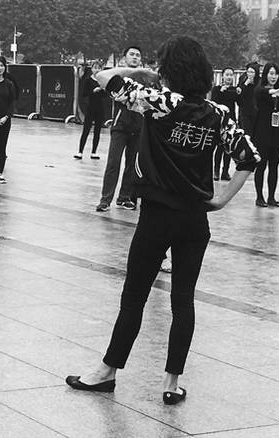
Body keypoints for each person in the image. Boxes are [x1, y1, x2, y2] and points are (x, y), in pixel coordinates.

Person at [66, 36, 260, 404]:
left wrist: (141, 71)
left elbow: (102, 77)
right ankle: (171, 383)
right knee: (183, 301)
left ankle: (106, 372)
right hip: (195, 222)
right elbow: (249, 157)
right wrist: (219, 200)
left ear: (168, 71)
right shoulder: (217, 113)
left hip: (157, 216)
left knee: (134, 298)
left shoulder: (159, 102)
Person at [96, 46, 143, 212]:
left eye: (138, 55)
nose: (135, 57)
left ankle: (124, 198)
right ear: (124, 58)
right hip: (120, 126)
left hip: (138, 127)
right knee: (113, 163)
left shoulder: (145, 80)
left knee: (132, 164)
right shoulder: (116, 78)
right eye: (132, 55)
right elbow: (102, 84)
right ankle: (105, 199)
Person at [253, 62, 279, 207]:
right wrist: (272, 92)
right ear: (266, 74)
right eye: (271, 73)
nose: (273, 77)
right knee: (261, 166)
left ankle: (271, 197)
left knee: (274, 167)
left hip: (277, 133)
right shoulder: (261, 90)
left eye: (276, 74)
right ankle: (259, 197)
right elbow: (259, 93)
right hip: (262, 133)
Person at [211, 67, 238, 180]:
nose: (229, 77)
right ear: (222, 76)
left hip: (231, 121)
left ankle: (225, 172)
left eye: (231, 75)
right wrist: (221, 92)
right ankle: (216, 171)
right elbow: (213, 103)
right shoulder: (217, 89)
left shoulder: (234, 90)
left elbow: (240, 101)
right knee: (220, 147)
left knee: (229, 148)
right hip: (220, 121)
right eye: (227, 75)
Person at [74, 60, 104, 160]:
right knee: (86, 130)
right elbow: (84, 94)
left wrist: (102, 90)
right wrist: (93, 91)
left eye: (99, 68)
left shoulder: (103, 81)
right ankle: (80, 151)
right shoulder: (88, 80)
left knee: (97, 131)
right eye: (95, 67)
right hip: (90, 108)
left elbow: (106, 95)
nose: (97, 70)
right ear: (92, 69)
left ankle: (94, 152)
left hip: (100, 109)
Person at [236, 62, 260, 136]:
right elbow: (239, 94)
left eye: (252, 72)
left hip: (256, 111)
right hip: (245, 111)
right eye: (248, 72)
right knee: (246, 133)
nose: (250, 74)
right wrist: (245, 84)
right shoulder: (243, 80)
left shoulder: (259, 82)